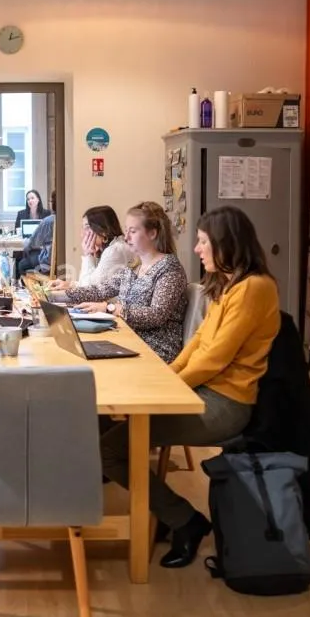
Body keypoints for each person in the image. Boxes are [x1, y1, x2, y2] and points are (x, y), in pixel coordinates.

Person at [100, 206, 281, 569]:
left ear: (226, 243)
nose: (197, 249)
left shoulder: (254, 288)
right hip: (205, 392)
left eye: (202, 241)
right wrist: (169, 378)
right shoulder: (231, 285)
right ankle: (164, 512)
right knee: (107, 434)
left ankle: (184, 520)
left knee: (110, 451)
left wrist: (169, 389)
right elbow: (198, 343)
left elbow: (214, 359)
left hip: (225, 403)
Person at [58, 201, 187, 363]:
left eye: (132, 231)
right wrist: (56, 296)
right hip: (128, 339)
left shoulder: (169, 268)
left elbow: (156, 314)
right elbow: (99, 290)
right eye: (126, 231)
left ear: (152, 233)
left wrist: (110, 308)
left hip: (154, 349)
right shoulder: (134, 267)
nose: (126, 237)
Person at [48, 205, 135, 290]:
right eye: (83, 227)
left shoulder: (115, 250)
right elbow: (91, 284)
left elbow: (89, 289)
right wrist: (70, 284)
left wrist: (87, 255)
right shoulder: (111, 248)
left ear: (104, 230)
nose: (82, 234)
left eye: (87, 227)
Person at [16, 211, 55, 278]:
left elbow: (32, 243)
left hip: (48, 262)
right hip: (60, 260)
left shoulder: (48, 221)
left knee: (21, 264)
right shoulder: (67, 220)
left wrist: (25, 242)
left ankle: (33, 283)